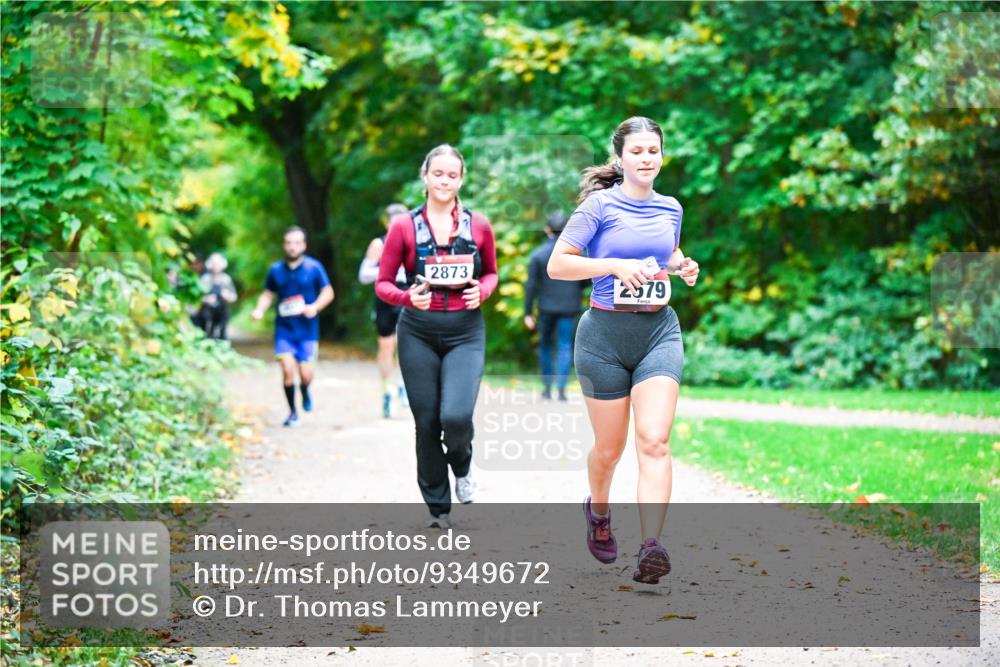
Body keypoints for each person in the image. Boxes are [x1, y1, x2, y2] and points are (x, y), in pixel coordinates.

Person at [547, 116, 700, 585]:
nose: (646, 158)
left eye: (653, 150)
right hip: (603, 339)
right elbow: (558, 265)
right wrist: (612, 265)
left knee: (654, 440)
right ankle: (598, 510)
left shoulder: (671, 207)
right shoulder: (598, 207)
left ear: (662, 155)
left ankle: (651, 546)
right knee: (610, 450)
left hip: (658, 333)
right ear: (621, 157)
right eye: (637, 151)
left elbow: (666, 252)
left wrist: (683, 265)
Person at [375, 144, 498, 529]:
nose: (445, 181)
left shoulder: (478, 225)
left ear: (461, 180)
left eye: (452, 175)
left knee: (456, 417)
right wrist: (406, 297)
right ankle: (438, 507)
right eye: (438, 173)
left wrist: (483, 290)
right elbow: (383, 283)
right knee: (427, 421)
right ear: (425, 177)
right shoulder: (403, 226)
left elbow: (491, 273)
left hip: (465, 332)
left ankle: (462, 465)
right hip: (418, 332)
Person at [251, 227, 335, 427]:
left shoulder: (314, 268)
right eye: (289, 243)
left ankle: (305, 389)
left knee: (306, 374)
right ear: (284, 245)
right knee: (287, 369)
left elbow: (328, 292)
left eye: (297, 243)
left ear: (303, 245)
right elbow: (267, 294)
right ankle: (292, 412)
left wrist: (315, 307)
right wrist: (259, 310)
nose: (292, 247)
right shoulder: (275, 270)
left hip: (307, 331)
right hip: (284, 330)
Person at [523, 210, 588, 401]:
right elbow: (586, 280)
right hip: (569, 307)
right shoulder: (578, 255)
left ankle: (546, 387)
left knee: (545, 345)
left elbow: (531, 286)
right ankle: (561, 389)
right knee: (565, 346)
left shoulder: (538, 255)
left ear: (547, 229)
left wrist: (528, 312)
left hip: (545, 308)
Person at [359, 203, 411, 418]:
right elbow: (363, 275)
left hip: (407, 297)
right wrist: (388, 271)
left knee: (406, 343)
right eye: (394, 223)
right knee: (386, 346)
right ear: (387, 224)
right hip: (385, 299)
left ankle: (405, 385)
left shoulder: (413, 242)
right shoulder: (378, 244)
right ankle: (387, 389)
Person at [197, 253, 238, 340]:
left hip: (222, 310)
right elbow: (197, 297)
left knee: (223, 330)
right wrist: (206, 299)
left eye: (218, 264)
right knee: (206, 329)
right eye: (214, 264)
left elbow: (234, 297)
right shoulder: (205, 279)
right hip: (207, 311)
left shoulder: (226, 279)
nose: (216, 266)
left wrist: (227, 296)